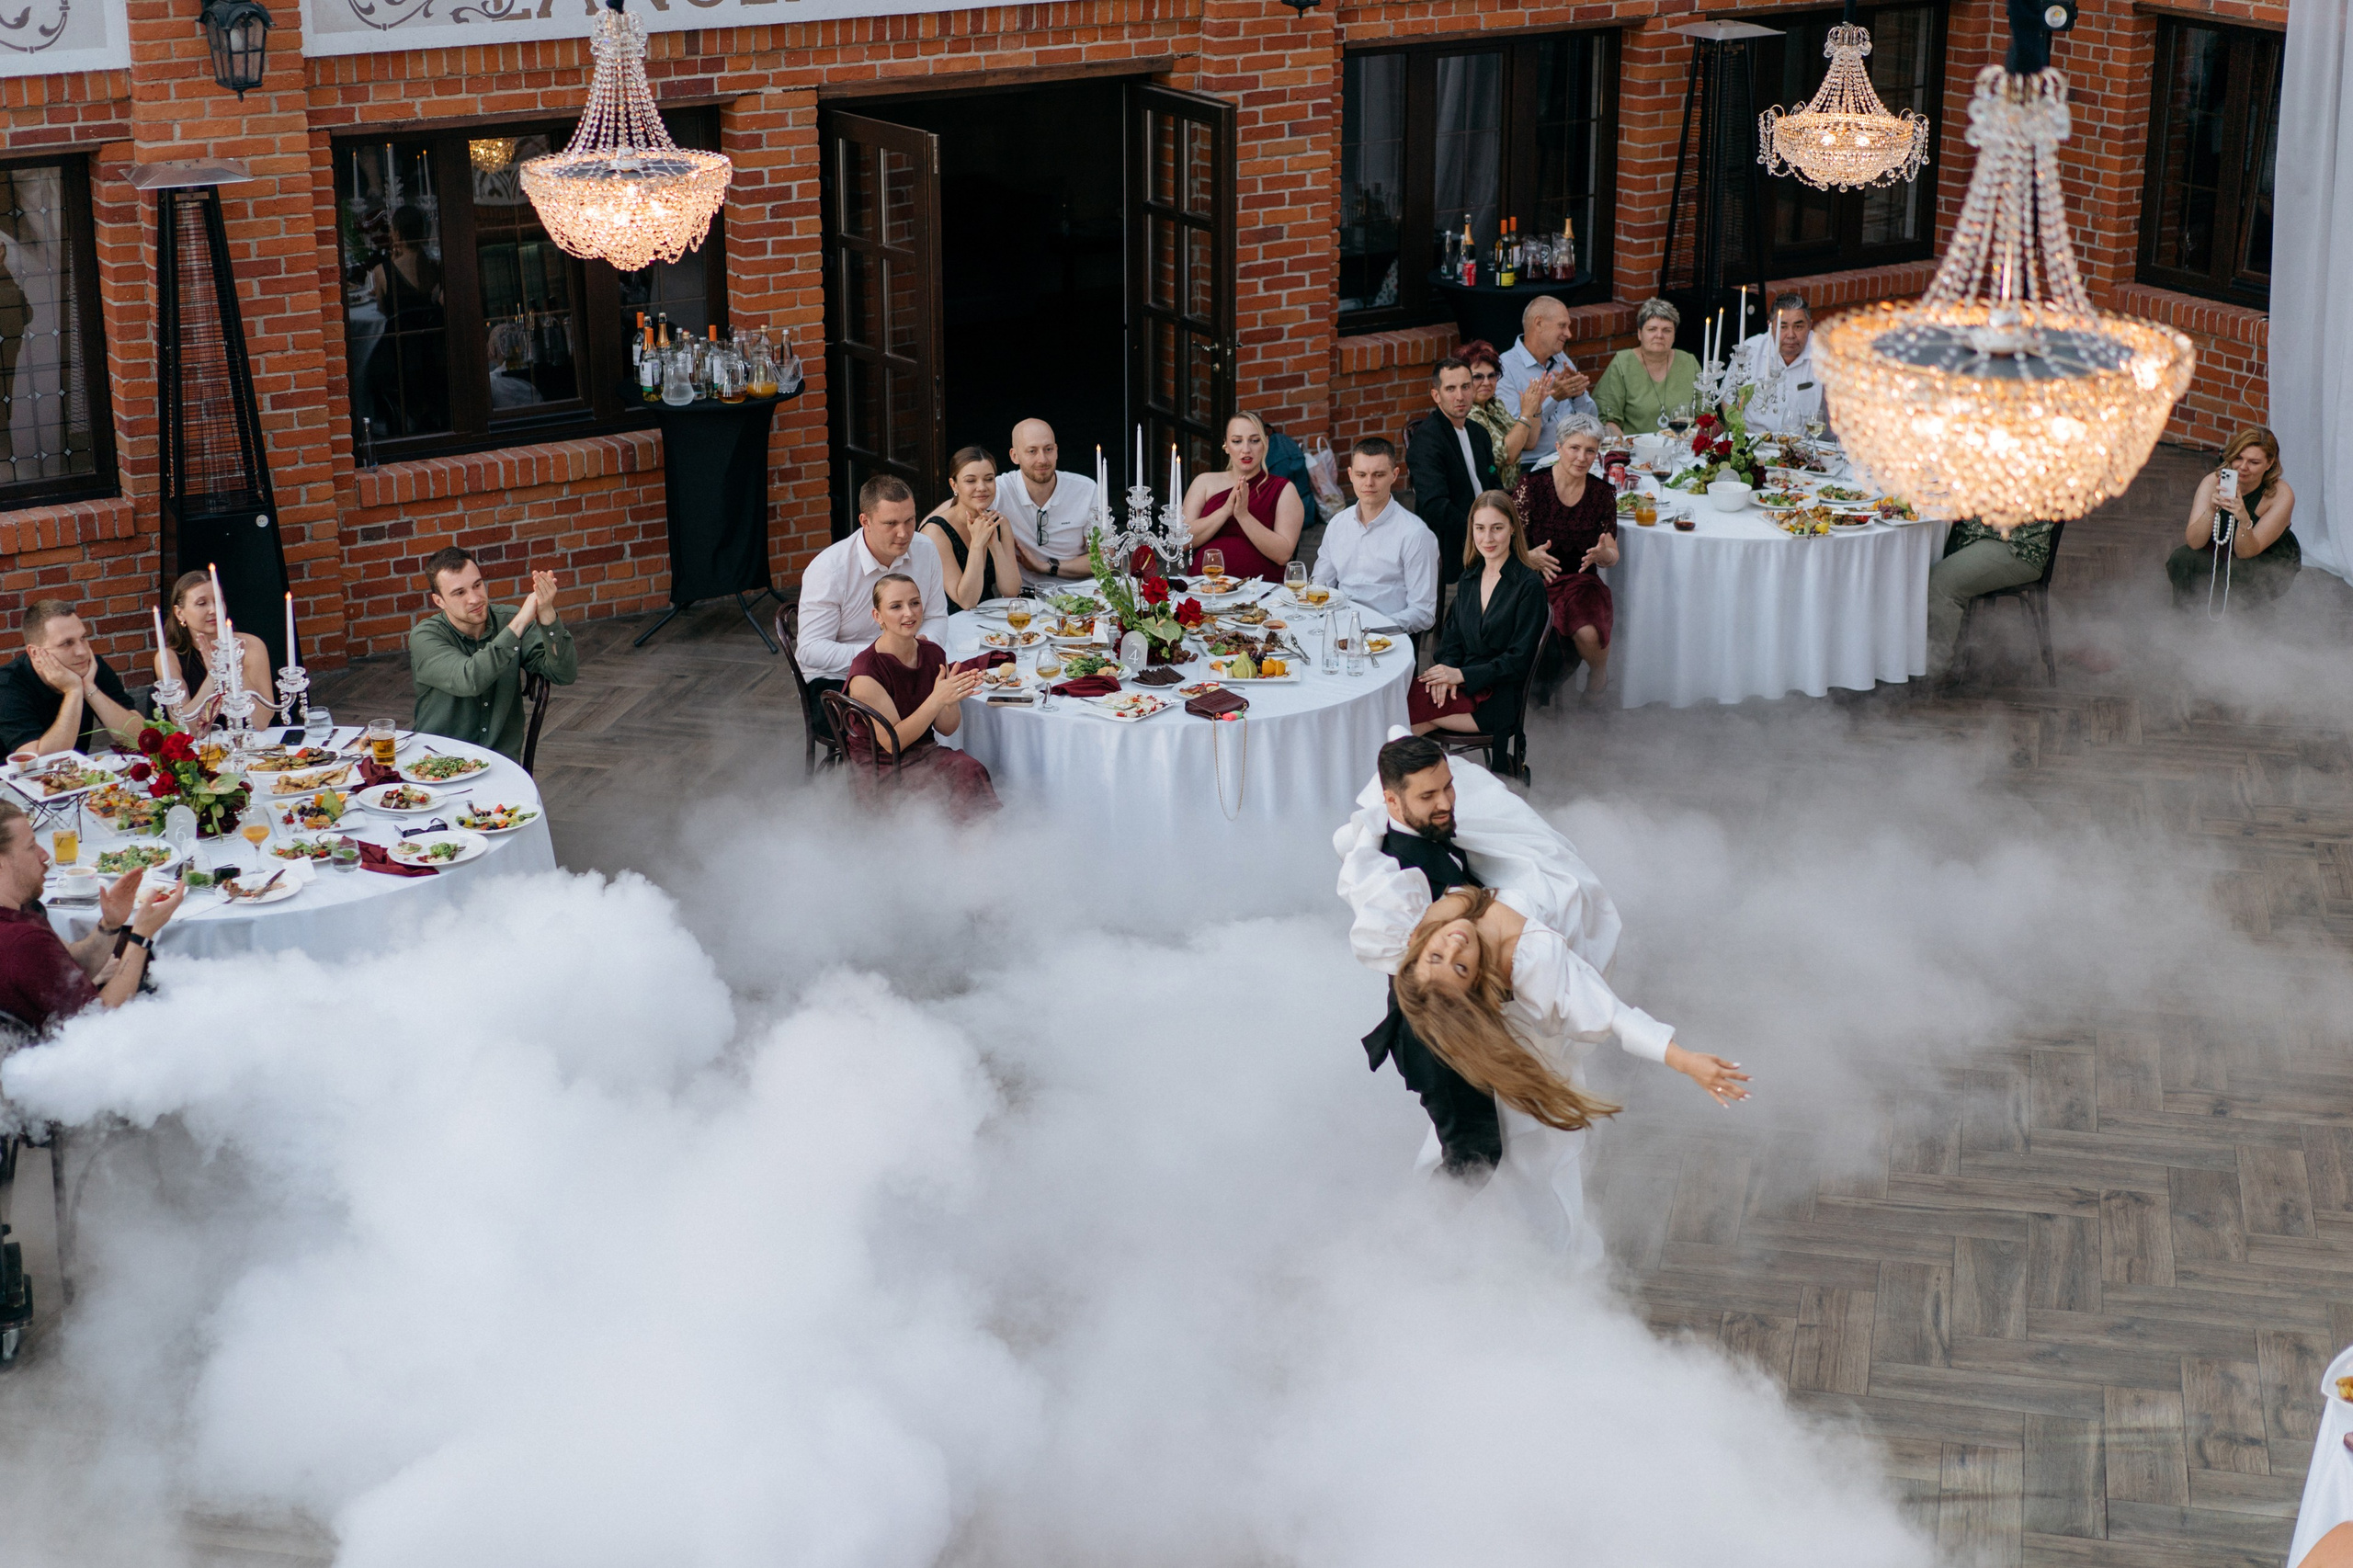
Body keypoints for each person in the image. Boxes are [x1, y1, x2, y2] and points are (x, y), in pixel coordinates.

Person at [1335, 735, 1746, 1254]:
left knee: (1511, 1147)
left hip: (1470, 1016)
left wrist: (1461, 896)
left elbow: (1394, 789)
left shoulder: (1430, 914)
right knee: (1475, 1150)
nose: (1443, 803)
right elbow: (1608, 1013)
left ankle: (1475, 1240)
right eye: (1427, 797)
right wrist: (1685, 1060)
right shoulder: (1514, 956)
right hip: (1437, 1044)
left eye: (1448, 788)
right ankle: (1413, 1245)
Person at [0, 799, 184, 1031]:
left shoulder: (24, 910)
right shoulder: (22, 941)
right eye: (30, 846)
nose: (45, 855)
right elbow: (98, 1024)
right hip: (69, 1057)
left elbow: (66, 971)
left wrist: (110, 924)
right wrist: (142, 936)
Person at [841, 573, 999, 818]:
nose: (909, 613)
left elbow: (947, 729)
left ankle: (975, 850)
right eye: (896, 606)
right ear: (877, 616)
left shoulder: (933, 653)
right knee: (957, 781)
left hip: (924, 754)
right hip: (882, 768)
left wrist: (951, 699)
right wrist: (936, 699)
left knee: (971, 770)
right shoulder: (867, 672)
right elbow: (893, 743)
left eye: (915, 603)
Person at [407, 549, 579, 763]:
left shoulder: (508, 619)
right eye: (459, 593)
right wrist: (520, 622)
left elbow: (564, 673)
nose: (474, 598)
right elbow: (469, 680)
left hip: (501, 764)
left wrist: (545, 613)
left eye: (477, 585)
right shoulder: (425, 636)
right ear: (439, 601)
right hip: (437, 765)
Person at [1410, 491, 1546, 740]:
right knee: (1397, 705)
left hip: (1499, 696)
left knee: (1407, 721)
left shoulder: (1528, 586)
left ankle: (1420, 777)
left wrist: (1461, 675)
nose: (1487, 538)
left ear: (1513, 528)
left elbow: (1518, 661)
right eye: (1480, 528)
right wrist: (1446, 673)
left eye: (1497, 528)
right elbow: (1451, 641)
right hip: (1460, 683)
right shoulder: (1469, 579)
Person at [797, 474, 949, 692]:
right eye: (891, 523)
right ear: (865, 521)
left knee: (962, 697)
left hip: (909, 667)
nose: (904, 533)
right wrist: (883, 654)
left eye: (910, 520)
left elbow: (936, 617)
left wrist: (922, 647)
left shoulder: (926, 549)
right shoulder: (829, 569)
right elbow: (811, 649)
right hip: (839, 677)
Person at [1514, 415, 1620, 699]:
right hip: (1533, 582)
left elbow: (1612, 555)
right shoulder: (1531, 486)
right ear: (1558, 448)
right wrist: (1527, 555)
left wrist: (1602, 555)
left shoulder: (1602, 494)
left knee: (1588, 633)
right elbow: (1506, 543)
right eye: (1574, 448)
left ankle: (1598, 675)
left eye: (1590, 450)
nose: (1581, 457)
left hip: (1581, 583)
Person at [1312, 437, 1439, 635]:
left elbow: (1423, 612)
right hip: (1337, 629)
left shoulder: (1415, 534)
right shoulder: (1338, 524)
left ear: (1394, 475)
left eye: (1378, 475)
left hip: (1386, 639)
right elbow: (1320, 584)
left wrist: (1371, 629)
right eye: (1362, 474)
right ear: (1351, 475)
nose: (1369, 483)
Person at [2165, 426, 2299, 612]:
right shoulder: (2213, 482)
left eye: (2253, 462)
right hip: (2222, 548)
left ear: (2269, 464)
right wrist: (2211, 510)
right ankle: (2186, 619)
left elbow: (2246, 552)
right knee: (2184, 558)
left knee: (2237, 572)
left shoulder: (2281, 495)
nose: (2243, 467)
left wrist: (2244, 520)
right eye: (2238, 458)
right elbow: (2194, 542)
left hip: (2265, 556)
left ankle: (2238, 627)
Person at [0, 599, 142, 757]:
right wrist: (73, 691)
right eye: (67, 643)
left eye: (82, 638)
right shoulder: (7, 685)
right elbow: (39, 762)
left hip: (79, 774)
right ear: (35, 653)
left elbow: (142, 739)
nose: (82, 652)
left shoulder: (90, 667)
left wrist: (89, 688)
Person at [1926, 516, 2058, 682]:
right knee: (1917, 566)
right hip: (1980, 534)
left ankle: (1934, 671)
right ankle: (1904, 659)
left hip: (2015, 546)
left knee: (1940, 585)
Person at [1404, 357, 1497, 585]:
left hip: (1488, 529)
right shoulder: (1426, 440)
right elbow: (1435, 505)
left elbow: (1493, 481)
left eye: (1466, 387)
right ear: (1436, 395)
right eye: (1450, 389)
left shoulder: (1478, 433)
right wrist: (1477, 531)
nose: (1460, 396)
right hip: (1451, 539)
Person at [1183, 411, 1304, 583]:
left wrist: (1243, 515)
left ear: (1265, 443)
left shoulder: (1284, 489)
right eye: (1237, 441)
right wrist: (1225, 511)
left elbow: (1283, 555)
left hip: (1259, 592)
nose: (1246, 449)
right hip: (1205, 589)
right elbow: (1182, 541)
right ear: (1226, 445)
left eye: (1254, 441)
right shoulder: (1204, 482)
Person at [1494, 296, 1599, 485]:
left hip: (1574, 460)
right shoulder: (1505, 368)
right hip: (1532, 467)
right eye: (1562, 326)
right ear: (1539, 324)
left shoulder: (1560, 358)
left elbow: (1591, 422)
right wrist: (1554, 398)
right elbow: (1520, 438)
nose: (1568, 334)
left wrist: (1578, 395)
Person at [154, 570, 272, 728]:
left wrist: (235, 670)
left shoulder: (251, 645)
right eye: (202, 603)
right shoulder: (169, 659)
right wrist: (213, 677)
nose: (213, 610)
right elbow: (187, 727)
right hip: (202, 749)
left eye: (218, 601)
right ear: (180, 613)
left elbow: (262, 721)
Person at [994, 419, 1099, 587]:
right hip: (1026, 599)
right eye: (1032, 451)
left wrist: (1046, 567)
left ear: (1056, 451)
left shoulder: (1086, 489)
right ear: (1015, 456)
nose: (1042, 459)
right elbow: (955, 511)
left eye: (1048, 449)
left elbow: (1104, 558)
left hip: (1081, 594)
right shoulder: (999, 489)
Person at [920, 447, 1022, 611]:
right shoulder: (936, 531)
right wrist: (977, 544)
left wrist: (994, 545)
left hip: (988, 621)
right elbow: (966, 601)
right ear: (954, 485)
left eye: (989, 479)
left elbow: (1011, 591)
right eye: (970, 481)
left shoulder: (1000, 523)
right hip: (948, 623)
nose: (981, 487)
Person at [1594, 299, 1700, 441]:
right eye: (1652, 329)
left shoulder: (1689, 362)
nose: (1659, 335)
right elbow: (1607, 420)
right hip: (1635, 452)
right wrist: (1627, 448)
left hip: (1683, 449)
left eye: (1667, 330)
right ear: (1639, 334)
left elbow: (1706, 416)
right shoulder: (1622, 363)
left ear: (1674, 335)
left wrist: (1692, 441)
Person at [1726, 293, 1821, 437]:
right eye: (1783, 326)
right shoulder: (1750, 351)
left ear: (1810, 326)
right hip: (1756, 443)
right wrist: (1743, 435)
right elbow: (1728, 401)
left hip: (1806, 446)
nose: (1790, 335)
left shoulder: (1828, 355)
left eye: (1798, 326)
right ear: (1770, 326)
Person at [1460, 339, 1526, 491]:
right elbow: (1506, 455)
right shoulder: (1466, 413)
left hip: (1513, 489)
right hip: (1489, 496)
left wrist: (1536, 408)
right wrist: (1526, 414)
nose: (1487, 382)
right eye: (1478, 377)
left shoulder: (1495, 405)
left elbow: (1527, 442)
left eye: (1492, 376)